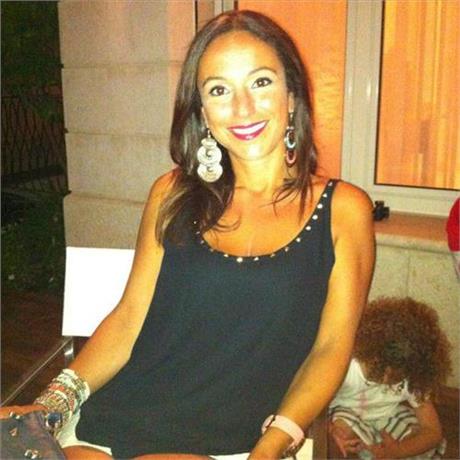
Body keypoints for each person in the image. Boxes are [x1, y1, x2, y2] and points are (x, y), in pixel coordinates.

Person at [1, 10, 375, 459]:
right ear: (202, 112)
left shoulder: (343, 210)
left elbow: (331, 348)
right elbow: (129, 318)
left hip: (229, 442)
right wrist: (50, 406)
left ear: (292, 95)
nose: (242, 108)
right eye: (219, 90)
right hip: (117, 417)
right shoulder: (172, 193)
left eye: (260, 82)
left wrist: (273, 445)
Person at [328, 297, 451, 459]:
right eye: (385, 370)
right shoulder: (347, 365)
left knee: (423, 443)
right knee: (339, 435)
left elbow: (432, 431)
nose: (390, 377)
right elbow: (317, 405)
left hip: (388, 415)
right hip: (347, 411)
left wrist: (397, 450)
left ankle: (376, 452)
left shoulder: (411, 376)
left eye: (399, 376)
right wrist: (331, 430)